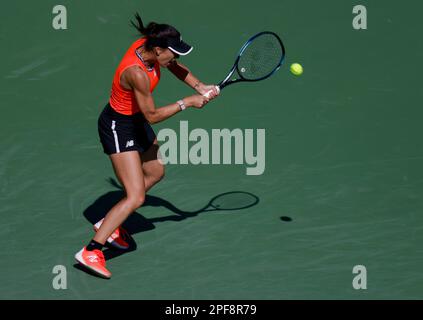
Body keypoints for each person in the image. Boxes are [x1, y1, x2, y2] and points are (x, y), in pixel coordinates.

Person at [75, 13, 219, 278]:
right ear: (157, 49)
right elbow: (152, 115)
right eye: (172, 52)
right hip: (118, 126)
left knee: (155, 172)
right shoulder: (136, 73)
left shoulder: (152, 50)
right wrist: (188, 102)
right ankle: (92, 250)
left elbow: (174, 66)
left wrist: (201, 86)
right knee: (136, 196)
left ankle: (109, 223)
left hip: (135, 119)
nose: (175, 58)